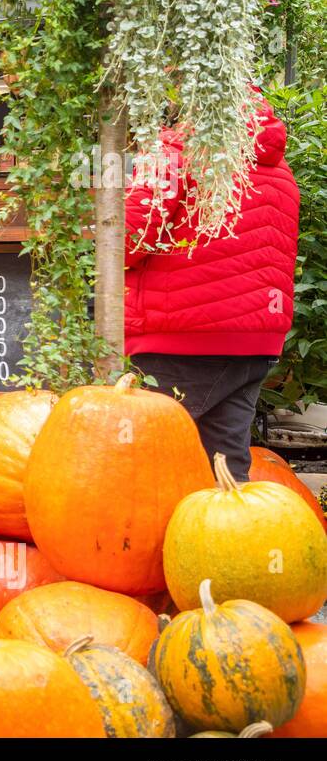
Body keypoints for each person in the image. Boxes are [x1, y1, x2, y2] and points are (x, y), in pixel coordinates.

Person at [125, 93, 299, 480]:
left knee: (143, 469)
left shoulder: (174, 151)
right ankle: (233, 541)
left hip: (177, 337)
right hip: (255, 341)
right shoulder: (279, 168)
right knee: (224, 469)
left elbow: (127, 241)